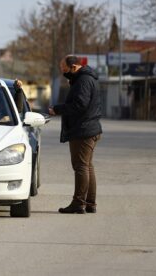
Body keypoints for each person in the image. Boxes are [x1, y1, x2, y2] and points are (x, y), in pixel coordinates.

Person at [48, 55, 103, 214]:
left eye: (63, 68)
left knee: (80, 167)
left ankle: (78, 203)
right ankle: (90, 203)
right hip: (88, 128)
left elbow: (80, 104)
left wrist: (58, 109)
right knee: (87, 166)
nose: (62, 71)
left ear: (73, 67)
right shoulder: (83, 79)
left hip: (83, 130)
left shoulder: (83, 80)